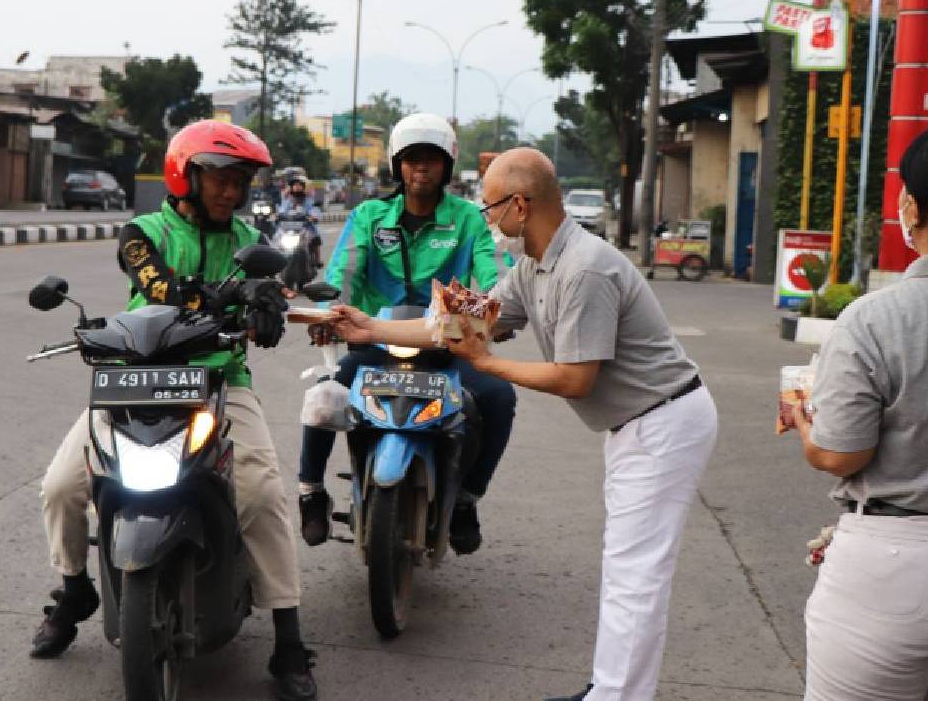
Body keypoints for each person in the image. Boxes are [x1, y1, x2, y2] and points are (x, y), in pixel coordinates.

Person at [325, 147, 717, 701]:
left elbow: (575, 378)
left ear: (519, 204)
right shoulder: (537, 264)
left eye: (488, 210)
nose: (486, 222)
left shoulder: (586, 268)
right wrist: (369, 330)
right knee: (627, 569)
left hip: (664, 421)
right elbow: (457, 325)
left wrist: (487, 365)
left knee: (637, 573)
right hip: (637, 423)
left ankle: (617, 696)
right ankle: (610, 689)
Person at [30, 120, 317, 701]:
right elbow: (155, 284)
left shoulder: (247, 238)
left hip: (219, 380)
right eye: (219, 179)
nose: (230, 192)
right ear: (185, 174)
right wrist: (223, 296)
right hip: (138, 377)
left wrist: (266, 303)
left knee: (262, 494)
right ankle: (74, 586)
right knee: (60, 487)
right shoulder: (143, 231)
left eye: (240, 181)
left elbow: (272, 288)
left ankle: (288, 639)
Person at [788, 125, 928, 701]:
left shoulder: (873, 319)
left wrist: (806, 422)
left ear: (910, 206)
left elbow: (841, 454)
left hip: (892, 571)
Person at [297, 112, 517, 556]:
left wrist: (499, 310)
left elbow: (493, 273)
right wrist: (327, 315)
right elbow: (343, 276)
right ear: (397, 164)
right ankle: (310, 491)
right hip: (377, 341)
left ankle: (467, 500)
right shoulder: (369, 217)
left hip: (447, 345)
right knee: (324, 398)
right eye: (412, 158)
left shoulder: (469, 220)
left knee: (498, 397)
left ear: (447, 166)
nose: (421, 168)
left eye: (431, 159)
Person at [279, 177, 323, 268]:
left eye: (299, 185)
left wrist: (313, 217)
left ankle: (317, 260)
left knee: (315, 238)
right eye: (295, 185)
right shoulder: (287, 200)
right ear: (291, 187)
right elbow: (281, 210)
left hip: (305, 228)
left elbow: (314, 209)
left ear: (303, 187)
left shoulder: (308, 200)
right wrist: (276, 215)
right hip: (289, 228)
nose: (297, 187)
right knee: (276, 239)